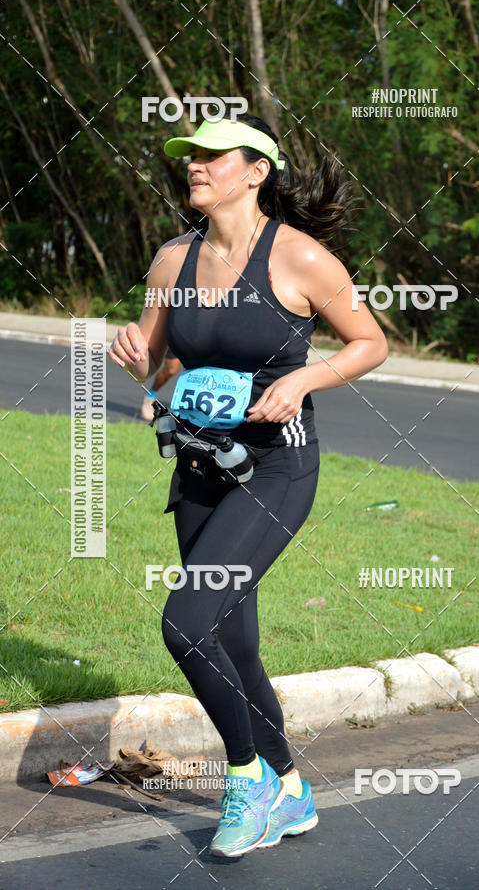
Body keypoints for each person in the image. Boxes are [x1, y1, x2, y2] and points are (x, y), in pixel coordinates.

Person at [108, 111, 388, 857]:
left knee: (185, 623)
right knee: (233, 640)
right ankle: (291, 789)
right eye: (189, 156)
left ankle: (247, 778)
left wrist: (300, 378)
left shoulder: (300, 259)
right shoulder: (173, 261)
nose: (194, 165)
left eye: (210, 156)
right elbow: (158, 366)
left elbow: (370, 343)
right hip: (201, 466)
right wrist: (134, 353)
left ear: (255, 171)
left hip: (277, 466)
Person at [140, 347, 181, 422]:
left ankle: (181, 408)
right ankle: (150, 396)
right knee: (171, 370)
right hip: (177, 336)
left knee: (190, 368)